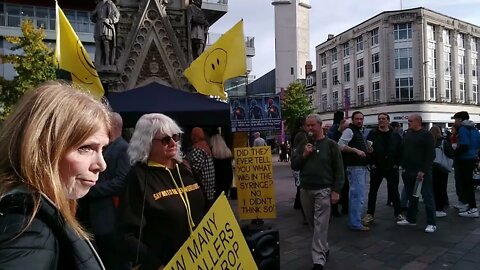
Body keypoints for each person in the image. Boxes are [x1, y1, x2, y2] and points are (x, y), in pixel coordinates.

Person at [0, 82, 110, 269]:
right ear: (41, 149)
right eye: (85, 148)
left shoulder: (37, 217)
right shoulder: (29, 228)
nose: (101, 165)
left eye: (102, 149)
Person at [118, 113, 206, 270]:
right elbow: (126, 236)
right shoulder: (138, 177)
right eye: (165, 140)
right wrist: (157, 265)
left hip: (201, 260)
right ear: (147, 143)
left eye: (176, 137)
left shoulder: (184, 169)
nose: (173, 143)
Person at [77, 112, 131, 270]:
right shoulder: (108, 147)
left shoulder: (123, 149)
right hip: (96, 217)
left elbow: (121, 181)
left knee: (116, 261)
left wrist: (92, 189)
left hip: (111, 218)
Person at [291, 114, 344, 270]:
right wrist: (304, 155)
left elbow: (339, 170)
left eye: (313, 125)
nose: (310, 128)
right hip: (305, 189)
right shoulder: (303, 144)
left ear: (320, 125)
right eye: (307, 125)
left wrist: (336, 190)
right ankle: (323, 247)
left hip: (323, 189)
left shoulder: (331, 145)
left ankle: (318, 260)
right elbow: (294, 165)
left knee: (321, 224)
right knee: (312, 223)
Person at [362, 113, 404, 226]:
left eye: (383, 119)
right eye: (379, 119)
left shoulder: (395, 135)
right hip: (377, 167)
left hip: (391, 167)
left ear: (388, 121)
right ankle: (370, 213)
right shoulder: (372, 134)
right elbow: (368, 150)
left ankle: (398, 213)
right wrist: (371, 163)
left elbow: (400, 151)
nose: (381, 121)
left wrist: (397, 164)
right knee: (373, 191)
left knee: (394, 191)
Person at [396, 114, 437, 233]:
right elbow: (403, 150)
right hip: (408, 171)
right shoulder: (408, 134)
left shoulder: (426, 135)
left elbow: (430, 155)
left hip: (421, 172)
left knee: (427, 196)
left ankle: (431, 223)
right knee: (411, 197)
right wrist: (401, 165)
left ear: (418, 122)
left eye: (410, 121)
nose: (408, 123)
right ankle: (411, 219)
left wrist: (423, 170)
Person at [338, 111, 371, 231]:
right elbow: (340, 145)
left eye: (361, 119)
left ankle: (355, 219)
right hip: (355, 167)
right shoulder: (349, 130)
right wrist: (356, 151)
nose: (359, 121)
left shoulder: (357, 131)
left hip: (359, 167)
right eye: (357, 119)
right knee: (357, 195)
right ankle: (355, 223)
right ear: (352, 119)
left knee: (357, 195)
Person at [451, 111, 480, 217]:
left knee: (466, 184)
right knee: (469, 183)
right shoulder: (474, 129)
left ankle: (473, 208)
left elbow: (464, 145)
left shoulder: (463, 129)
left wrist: (454, 153)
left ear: (460, 120)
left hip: (464, 159)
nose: (455, 122)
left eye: (455, 119)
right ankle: (469, 205)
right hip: (472, 158)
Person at [187, 127, 216, 207]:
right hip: (209, 189)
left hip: (202, 190)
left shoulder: (198, 149)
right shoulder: (206, 146)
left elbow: (195, 169)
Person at [430, 125, 454, 217]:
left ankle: (434, 206)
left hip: (431, 167)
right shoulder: (443, 142)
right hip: (442, 167)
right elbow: (451, 153)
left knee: (433, 188)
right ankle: (439, 208)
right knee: (441, 187)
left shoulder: (428, 141)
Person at [91, 0, 120, 66]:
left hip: (106, 25)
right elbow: (93, 18)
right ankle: (98, 62)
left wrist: (110, 20)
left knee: (106, 43)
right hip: (98, 25)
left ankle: (107, 62)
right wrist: (93, 14)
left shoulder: (109, 3)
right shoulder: (99, 4)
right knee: (98, 44)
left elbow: (117, 14)